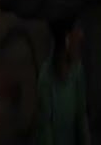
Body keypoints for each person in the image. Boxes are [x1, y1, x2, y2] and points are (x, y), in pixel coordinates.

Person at [34, 16, 92, 145]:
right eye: (78, 29)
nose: (81, 35)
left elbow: (81, 115)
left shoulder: (78, 69)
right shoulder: (46, 77)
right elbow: (45, 128)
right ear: (66, 39)